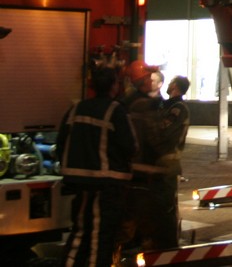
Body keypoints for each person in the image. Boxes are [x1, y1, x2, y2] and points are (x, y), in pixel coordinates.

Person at [57, 66, 137, 267]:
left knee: (80, 233)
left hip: (79, 182)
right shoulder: (115, 110)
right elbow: (130, 146)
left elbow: (61, 143)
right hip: (107, 185)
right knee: (100, 239)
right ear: (114, 86)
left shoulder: (76, 108)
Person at [118, 60, 164, 252]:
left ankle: (123, 246)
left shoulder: (128, 101)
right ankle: (134, 247)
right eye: (148, 78)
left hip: (128, 165)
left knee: (129, 208)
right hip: (143, 166)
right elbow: (154, 137)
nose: (151, 81)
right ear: (143, 81)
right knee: (142, 209)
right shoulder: (145, 105)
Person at [151, 75, 191, 249]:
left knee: (166, 205)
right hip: (162, 161)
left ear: (175, 86)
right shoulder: (169, 105)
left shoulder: (178, 108)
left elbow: (164, 130)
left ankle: (168, 245)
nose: (167, 85)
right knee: (158, 203)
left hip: (169, 161)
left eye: (170, 83)